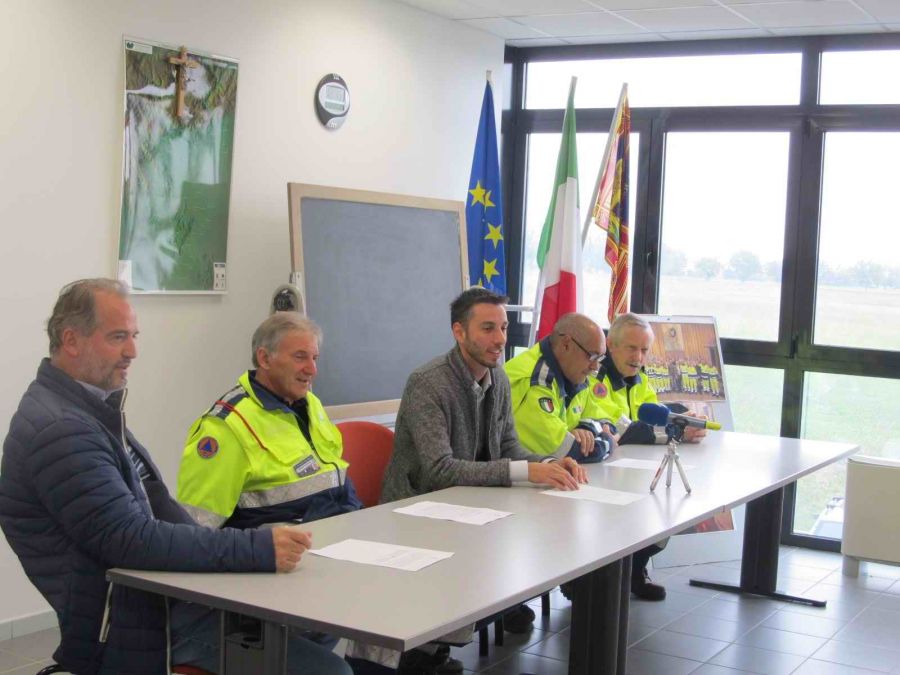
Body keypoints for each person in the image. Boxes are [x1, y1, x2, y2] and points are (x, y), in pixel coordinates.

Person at [0, 279, 351, 675]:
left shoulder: (90, 410)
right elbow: (132, 540)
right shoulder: (61, 430)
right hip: (138, 621)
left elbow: (158, 503)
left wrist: (238, 559)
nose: (132, 351)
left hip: (162, 596)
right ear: (71, 340)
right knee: (330, 671)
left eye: (133, 336)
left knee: (318, 624)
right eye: (118, 337)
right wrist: (256, 549)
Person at [348, 288, 586, 673]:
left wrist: (549, 464)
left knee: (527, 538)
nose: (500, 339)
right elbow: (439, 470)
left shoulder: (498, 378)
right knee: (493, 553)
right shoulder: (428, 383)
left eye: (504, 328)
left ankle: (434, 649)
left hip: (470, 506)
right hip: (416, 511)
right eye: (488, 328)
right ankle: (419, 653)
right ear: (459, 332)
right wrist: (525, 472)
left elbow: (507, 445)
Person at [177, 312, 361, 531]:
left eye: (315, 358)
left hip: (341, 528)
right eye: (300, 357)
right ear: (265, 359)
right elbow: (196, 529)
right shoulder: (226, 426)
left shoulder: (310, 404)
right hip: (285, 546)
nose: (312, 369)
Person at [592, 312, 707, 601]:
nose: (638, 357)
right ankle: (588, 582)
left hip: (636, 466)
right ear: (610, 345)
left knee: (666, 508)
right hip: (601, 472)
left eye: (644, 350)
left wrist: (682, 419)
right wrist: (674, 431)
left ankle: (635, 569)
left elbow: (653, 416)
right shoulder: (596, 377)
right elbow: (621, 430)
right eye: (632, 348)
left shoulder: (640, 379)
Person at [504, 312, 615, 463]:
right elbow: (569, 452)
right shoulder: (535, 381)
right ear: (566, 344)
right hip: (507, 473)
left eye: (600, 358)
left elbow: (605, 420)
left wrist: (587, 429)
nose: (595, 366)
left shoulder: (576, 375)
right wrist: (608, 440)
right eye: (592, 356)